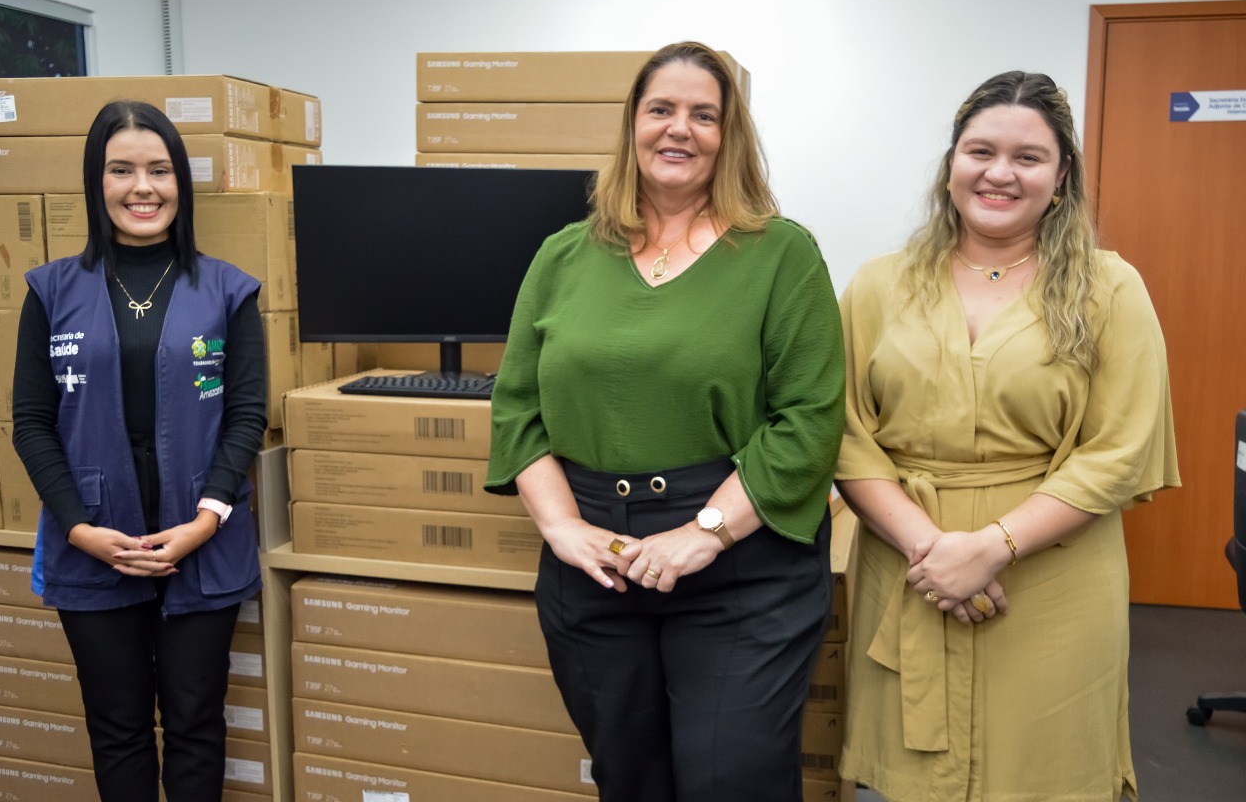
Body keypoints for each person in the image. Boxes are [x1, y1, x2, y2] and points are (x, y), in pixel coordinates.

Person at [484, 41, 845, 802]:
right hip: (596, 566)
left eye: (704, 115)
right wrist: (561, 528)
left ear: (728, 136)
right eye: (662, 109)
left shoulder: (781, 254)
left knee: (729, 780)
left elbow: (808, 422)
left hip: (740, 561)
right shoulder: (562, 256)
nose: (680, 128)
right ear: (633, 125)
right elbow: (518, 408)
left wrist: (702, 533)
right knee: (630, 780)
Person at [836, 71, 1180, 801]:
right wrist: (933, 552)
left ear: (1061, 177)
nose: (1000, 173)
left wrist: (991, 548)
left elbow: (1120, 449)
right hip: (909, 566)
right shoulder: (877, 286)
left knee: (1046, 774)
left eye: (1028, 157)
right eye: (981, 151)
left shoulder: (1109, 289)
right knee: (907, 783)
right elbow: (843, 433)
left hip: (1050, 578)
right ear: (951, 164)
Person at [12, 100, 266, 802]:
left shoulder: (229, 289)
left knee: (195, 724)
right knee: (117, 729)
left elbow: (246, 416)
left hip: (202, 540)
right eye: (121, 170)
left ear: (180, 180)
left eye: (159, 169)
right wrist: (79, 529)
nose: (142, 187)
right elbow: (31, 422)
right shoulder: (50, 290)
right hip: (92, 540)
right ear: (96, 182)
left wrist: (205, 522)